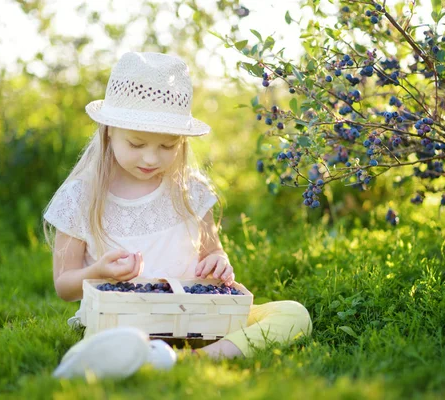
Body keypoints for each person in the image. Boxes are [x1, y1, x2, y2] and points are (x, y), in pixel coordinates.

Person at [43, 52, 313, 379]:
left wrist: (219, 262)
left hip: (197, 318)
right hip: (123, 318)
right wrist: (99, 270)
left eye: (167, 147)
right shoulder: (81, 197)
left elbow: (211, 251)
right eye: (137, 143)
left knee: (294, 314)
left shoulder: (190, 191)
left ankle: (187, 360)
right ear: (109, 130)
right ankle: (136, 354)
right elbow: (64, 286)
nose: (151, 158)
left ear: (181, 143)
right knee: (113, 338)